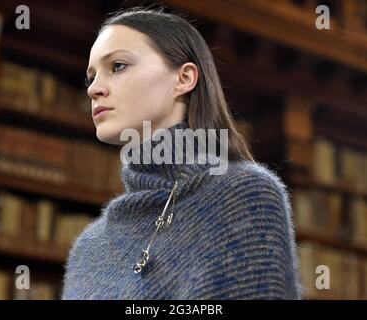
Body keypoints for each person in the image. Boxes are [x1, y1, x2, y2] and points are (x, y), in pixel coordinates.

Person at [62, 6, 302, 300]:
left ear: (183, 78)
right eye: (91, 77)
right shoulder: (87, 249)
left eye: (118, 66)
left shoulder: (245, 195)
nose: (94, 89)